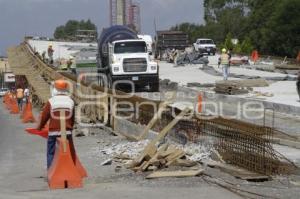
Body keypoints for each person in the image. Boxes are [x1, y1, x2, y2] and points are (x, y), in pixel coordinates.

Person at [37, 80, 75, 169]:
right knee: (70, 151)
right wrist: (70, 128)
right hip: (67, 132)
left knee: (51, 152)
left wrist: (40, 127)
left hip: (53, 132)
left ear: (55, 90)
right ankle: (71, 168)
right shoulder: (71, 101)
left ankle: (51, 170)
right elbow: (72, 119)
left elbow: (44, 117)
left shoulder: (51, 101)